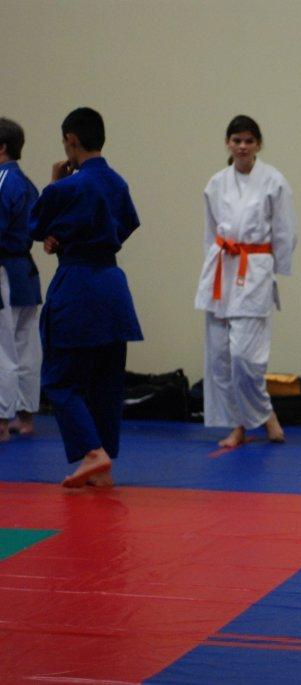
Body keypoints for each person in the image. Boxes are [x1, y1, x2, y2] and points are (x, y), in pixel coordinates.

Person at [29, 107, 143, 488]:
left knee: (60, 379)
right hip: (112, 285)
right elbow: (124, 226)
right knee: (106, 382)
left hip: (77, 286)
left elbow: (35, 224)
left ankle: (92, 452)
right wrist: (72, 238)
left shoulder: (67, 188)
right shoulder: (117, 183)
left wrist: (53, 185)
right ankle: (103, 462)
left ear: (71, 140)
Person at [194, 115, 296, 448]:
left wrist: (274, 269)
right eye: (236, 140)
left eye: (248, 140)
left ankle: (265, 414)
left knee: (244, 358)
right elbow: (210, 232)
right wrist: (210, 266)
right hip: (222, 268)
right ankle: (239, 425)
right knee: (221, 358)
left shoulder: (274, 181)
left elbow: (285, 230)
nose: (242, 146)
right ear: (228, 143)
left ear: (258, 145)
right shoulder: (216, 183)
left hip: (255, 270)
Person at [0, 117, 42, 441]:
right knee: (26, 347)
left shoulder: (3, 180)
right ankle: (25, 417)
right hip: (26, 271)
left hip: (5, 270)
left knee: (3, 349)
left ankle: (1, 420)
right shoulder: (27, 184)